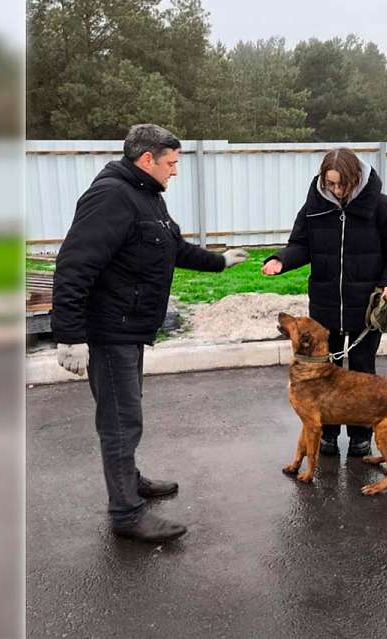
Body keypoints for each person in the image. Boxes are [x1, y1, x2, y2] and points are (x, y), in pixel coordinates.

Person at [52, 124, 248, 543]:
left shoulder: (147, 197)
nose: (175, 171)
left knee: (126, 413)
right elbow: (74, 265)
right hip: (109, 331)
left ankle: (130, 479)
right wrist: (68, 335)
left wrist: (220, 262)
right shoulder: (111, 197)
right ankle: (126, 512)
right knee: (121, 421)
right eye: (171, 164)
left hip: (130, 326)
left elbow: (172, 248)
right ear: (147, 160)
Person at [262, 147, 387, 457]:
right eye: (330, 183)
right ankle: (327, 433)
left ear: (355, 178)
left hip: (367, 308)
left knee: (361, 374)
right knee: (323, 374)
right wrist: (281, 260)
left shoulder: (381, 207)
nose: (335, 190)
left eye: (341, 184)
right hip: (325, 306)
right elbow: (301, 245)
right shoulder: (314, 207)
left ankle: (361, 436)